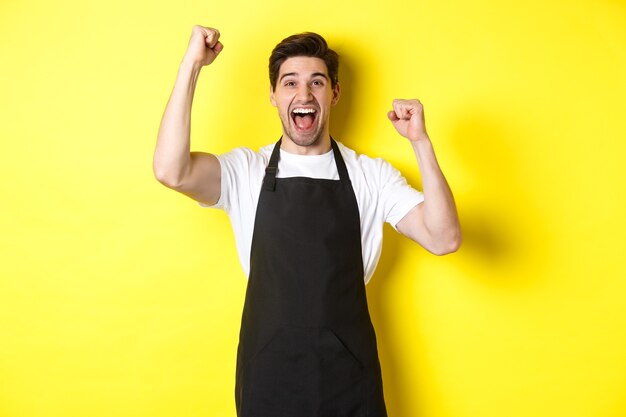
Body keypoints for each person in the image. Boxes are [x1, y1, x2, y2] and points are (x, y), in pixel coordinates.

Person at [153, 24, 461, 417]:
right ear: (273, 96)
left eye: (317, 82)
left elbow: (444, 237)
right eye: (290, 83)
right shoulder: (245, 171)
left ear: (334, 94)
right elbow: (170, 170)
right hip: (268, 377)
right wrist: (192, 64)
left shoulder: (371, 175)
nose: (303, 94)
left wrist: (420, 142)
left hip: (349, 380)